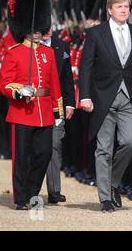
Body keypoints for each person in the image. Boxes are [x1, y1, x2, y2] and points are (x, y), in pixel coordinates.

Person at [79, 0, 132, 212]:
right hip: (102, 97)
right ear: (109, 10)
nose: (124, 10)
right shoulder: (95, 33)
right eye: (119, 7)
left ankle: (111, 183)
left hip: (130, 96)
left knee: (131, 142)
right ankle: (105, 198)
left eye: (126, 7)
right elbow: (85, 66)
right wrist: (85, 95)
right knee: (104, 149)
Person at [0, 0, 64, 210]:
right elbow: (4, 84)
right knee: (21, 158)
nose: (37, 32)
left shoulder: (47, 53)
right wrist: (20, 90)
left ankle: (32, 191)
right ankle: (20, 198)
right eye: (34, 29)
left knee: (44, 153)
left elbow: (54, 84)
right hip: (22, 112)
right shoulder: (13, 53)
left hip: (45, 112)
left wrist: (58, 112)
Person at [41, 26, 75, 204]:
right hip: (37, 104)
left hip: (57, 103)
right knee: (37, 148)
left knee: (55, 145)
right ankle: (31, 188)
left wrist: (70, 103)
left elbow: (67, 77)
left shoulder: (61, 46)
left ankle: (54, 190)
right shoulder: (32, 46)